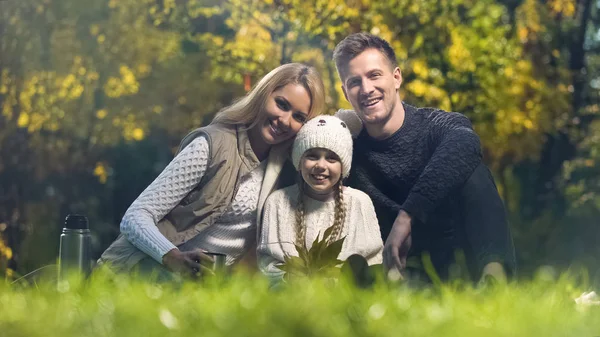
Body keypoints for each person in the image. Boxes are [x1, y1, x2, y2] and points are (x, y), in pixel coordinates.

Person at [97, 63, 326, 281]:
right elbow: (135, 217)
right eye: (282, 104)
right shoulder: (212, 145)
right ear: (263, 95)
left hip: (193, 292)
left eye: (299, 117)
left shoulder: (283, 167)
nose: (285, 120)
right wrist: (172, 257)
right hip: (135, 274)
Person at [332, 33, 516, 283]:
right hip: (401, 271)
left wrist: (408, 216)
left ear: (396, 78)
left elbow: (466, 142)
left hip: (460, 259)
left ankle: (495, 280)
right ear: (345, 92)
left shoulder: (436, 125)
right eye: (355, 82)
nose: (366, 89)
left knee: (473, 169)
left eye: (375, 75)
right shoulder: (346, 147)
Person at [257, 115, 383, 281]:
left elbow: (373, 262)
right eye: (312, 156)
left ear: (343, 166)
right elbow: (268, 264)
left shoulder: (359, 202)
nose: (321, 166)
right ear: (299, 161)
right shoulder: (278, 202)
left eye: (331, 158)